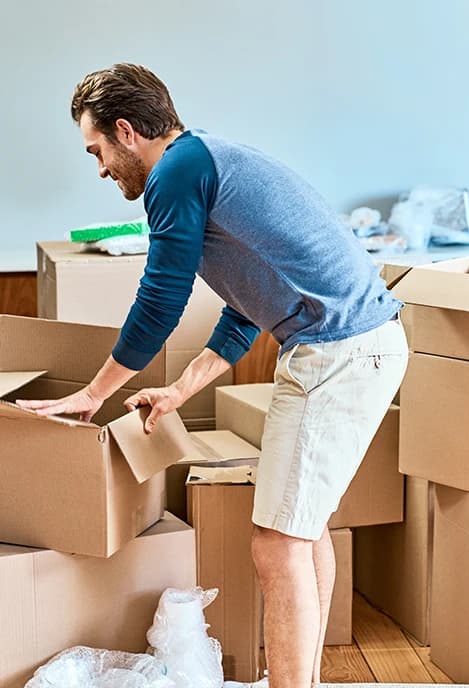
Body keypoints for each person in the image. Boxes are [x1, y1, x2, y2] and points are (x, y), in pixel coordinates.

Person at [18, 63, 408, 687]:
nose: (101, 169)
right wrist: (180, 389)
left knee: (277, 544)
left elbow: (160, 301)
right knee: (302, 533)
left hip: (337, 354)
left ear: (126, 131)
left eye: (97, 151)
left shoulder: (175, 174)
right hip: (355, 347)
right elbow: (246, 306)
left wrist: (93, 394)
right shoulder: (203, 160)